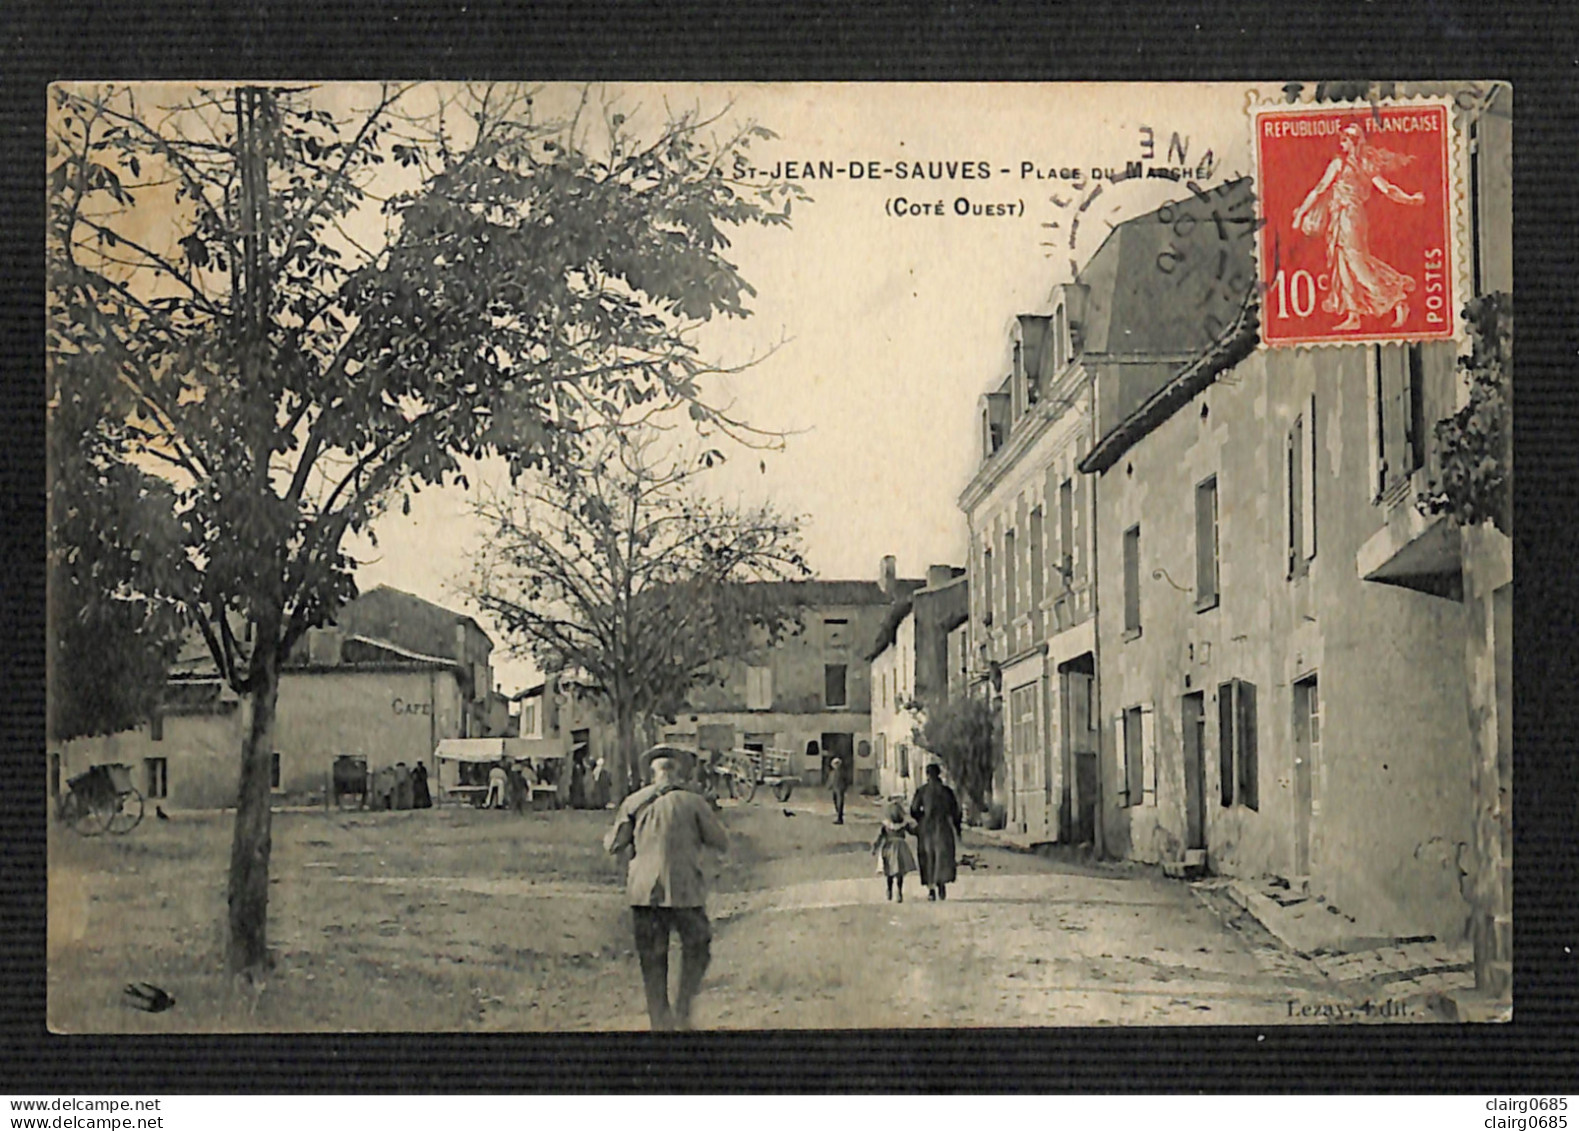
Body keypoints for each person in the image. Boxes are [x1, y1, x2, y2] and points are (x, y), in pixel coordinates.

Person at [603, 746, 728, 1031]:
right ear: (678, 772)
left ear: (653, 774)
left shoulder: (634, 802)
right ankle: (683, 1009)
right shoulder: (694, 802)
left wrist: (613, 835)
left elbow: (613, 845)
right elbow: (721, 841)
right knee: (698, 947)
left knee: (652, 960)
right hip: (685, 890)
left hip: (644, 892)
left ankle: (660, 1021)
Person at [1291, 122, 1426, 331]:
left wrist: (1301, 213)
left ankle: (1395, 299)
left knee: (1356, 263)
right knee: (1342, 261)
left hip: (1350, 217)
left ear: (1352, 143)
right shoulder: (1357, 165)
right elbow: (1387, 189)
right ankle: (1353, 314)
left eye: (1345, 140)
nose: (1342, 144)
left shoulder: (1348, 165)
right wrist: (1409, 199)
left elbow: (1320, 190)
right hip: (1341, 217)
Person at [910, 761, 962, 901]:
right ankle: (941, 885)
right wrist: (957, 829)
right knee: (942, 856)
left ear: (927, 775)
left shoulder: (922, 791)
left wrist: (921, 819)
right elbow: (955, 812)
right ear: (939, 774)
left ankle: (931, 889)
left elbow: (914, 810)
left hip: (927, 827)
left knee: (928, 857)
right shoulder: (947, 791)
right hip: (943, 826)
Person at [871, 800, 918, 902]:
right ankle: (899, 891)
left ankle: (889, 890)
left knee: (889, 871)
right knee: (900, 871)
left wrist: (875, 847)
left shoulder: (885, 825)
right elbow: (913, 831)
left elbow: (879, 837)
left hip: (889, 847)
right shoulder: (903, 824)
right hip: (901, 846)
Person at [828, 756, 848, 825]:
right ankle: (838, 815)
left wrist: (845, 788)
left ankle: (840, 818)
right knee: (836, 802)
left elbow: (845, 780)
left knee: (840, 803)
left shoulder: (842, 772)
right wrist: (829, 786)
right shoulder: (833, 772)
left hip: (840, 789)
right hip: (835, 789)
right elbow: (831, 780)